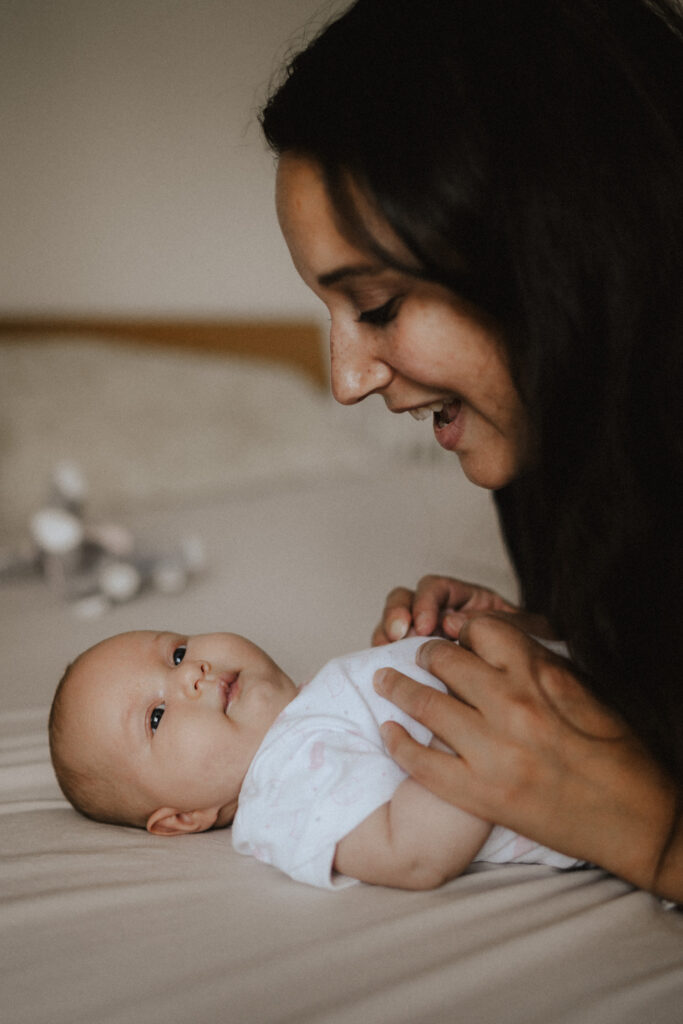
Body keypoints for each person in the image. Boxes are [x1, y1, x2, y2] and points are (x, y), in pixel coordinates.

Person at [260, 0, 683, 900]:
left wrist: (647, 829)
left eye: (374, 306)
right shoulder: (563, 460)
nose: (346, 381)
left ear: (550, 244)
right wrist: (543, 640)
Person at [48, 629, 583, 890]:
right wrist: (466, 718)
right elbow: (411, 851)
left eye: (178, 652)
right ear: (183, 817)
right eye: (157, 717)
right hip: (581, 783)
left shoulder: (310, 707)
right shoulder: (282, 782)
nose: (193, 674)